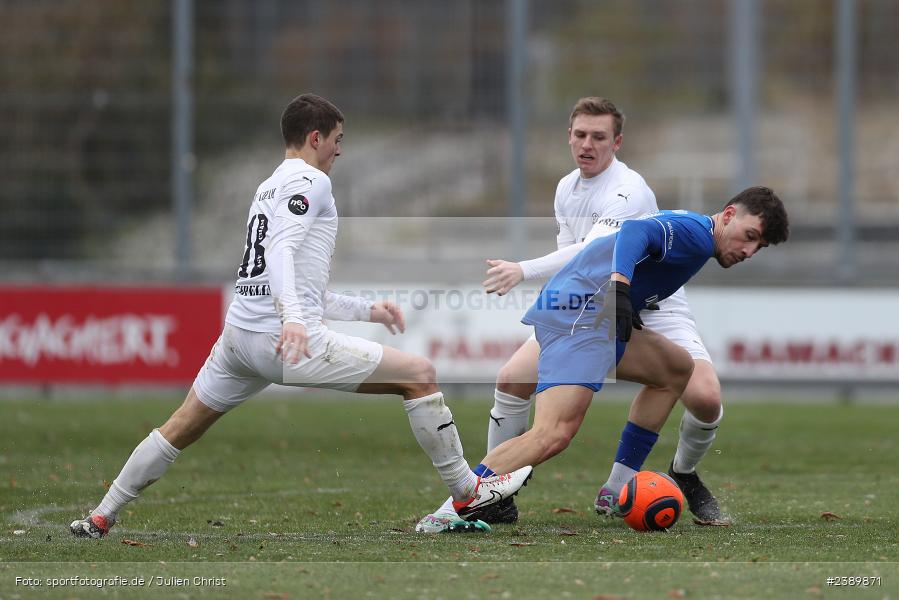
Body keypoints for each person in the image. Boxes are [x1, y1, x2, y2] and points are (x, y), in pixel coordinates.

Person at [70, 93, 531, 539]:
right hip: (281, 340)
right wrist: (292, 318)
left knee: (179, 427)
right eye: (337, 139)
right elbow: (282, 251)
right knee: (420, 374)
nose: (339, 150)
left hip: (238, 339)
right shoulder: (312, 182)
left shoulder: (269, 184)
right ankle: (467, 493)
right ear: (315, 138)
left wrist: (365, 310)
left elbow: (299, 281)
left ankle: (101, 515)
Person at [420, 97, 730, 531]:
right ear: (569, 136)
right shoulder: (567, 187)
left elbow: (590, 250)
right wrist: (554, 315)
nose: (588, 144)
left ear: (616, 142)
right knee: (513, 381)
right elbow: (574, 258)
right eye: (580, 135)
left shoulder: (628, 189)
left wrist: (523, 270)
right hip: (591, 306)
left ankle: (679, 474)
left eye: (599, 137)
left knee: (704, 396)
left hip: (651, 307)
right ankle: (494, 496)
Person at [460, 189, 789, 511]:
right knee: (553, 433)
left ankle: (615, 491)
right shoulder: (698, 236)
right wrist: (620, 286)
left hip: (586, 312)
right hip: (581, 317)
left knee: (675, 368)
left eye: (758, 247)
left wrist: (622, 294)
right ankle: (460, 501)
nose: (748, 250)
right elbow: (635, 231)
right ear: (729, 215)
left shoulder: (696, 231)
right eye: (749, 236)